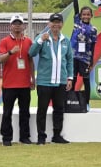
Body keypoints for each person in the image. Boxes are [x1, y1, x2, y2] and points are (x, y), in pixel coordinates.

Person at [28, 13, 74, 145]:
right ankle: (41, 137)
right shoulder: (42, 38)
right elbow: (31, 53)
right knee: (42, 109)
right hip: (44, 81)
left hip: (61, 81)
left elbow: (70, 60)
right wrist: (40, 40)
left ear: (61, 24)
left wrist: (70, 78)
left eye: (58, 22)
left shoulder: (65, 40)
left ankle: (57, 135)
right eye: (53, 22)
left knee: (59, 109)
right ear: (49, 24)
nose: (56, 24)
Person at [0, 14, 35, 146]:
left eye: (20, 23)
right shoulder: (4, 41)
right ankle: (6, 137)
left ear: (23, 26)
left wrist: (32, 78)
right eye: (15, 23)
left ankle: (24, 136)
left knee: (25, 111)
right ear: (10, 26)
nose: (17, 25)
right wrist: (10, 52)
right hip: (9, 84)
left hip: (24, 83)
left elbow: (30, 61)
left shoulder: (28, 41)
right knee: (7, 112)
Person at [68, 0, 97, 108]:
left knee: (86, 80)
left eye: (88, 14)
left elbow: (93, 46)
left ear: (91, 16)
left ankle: (86, 103)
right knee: (72, 79)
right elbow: (75, 5)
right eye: (83, 14)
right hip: (73, 57)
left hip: (85, 59)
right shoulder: (77, 22)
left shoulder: (93, 30)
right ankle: (71, 100)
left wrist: (92, 62)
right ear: (80, 15)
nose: (85, 16)